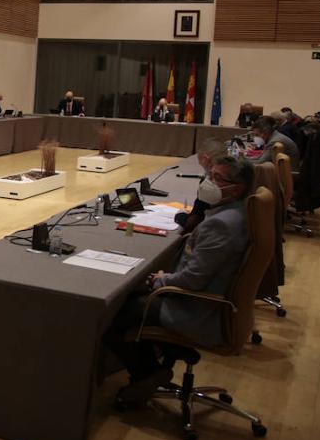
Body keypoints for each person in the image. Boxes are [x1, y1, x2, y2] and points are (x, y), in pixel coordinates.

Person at [103, 154, 254, 406]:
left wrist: (161, 280)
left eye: (217, 178)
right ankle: (158, 360)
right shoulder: (238, 212)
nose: (209, 181)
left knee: (115, 310)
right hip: (214, 300)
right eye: (210, 175)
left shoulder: (222, 225)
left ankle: (147, 373)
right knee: (133, 293)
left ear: (237, 188)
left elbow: (193, 280)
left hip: (198, 309)